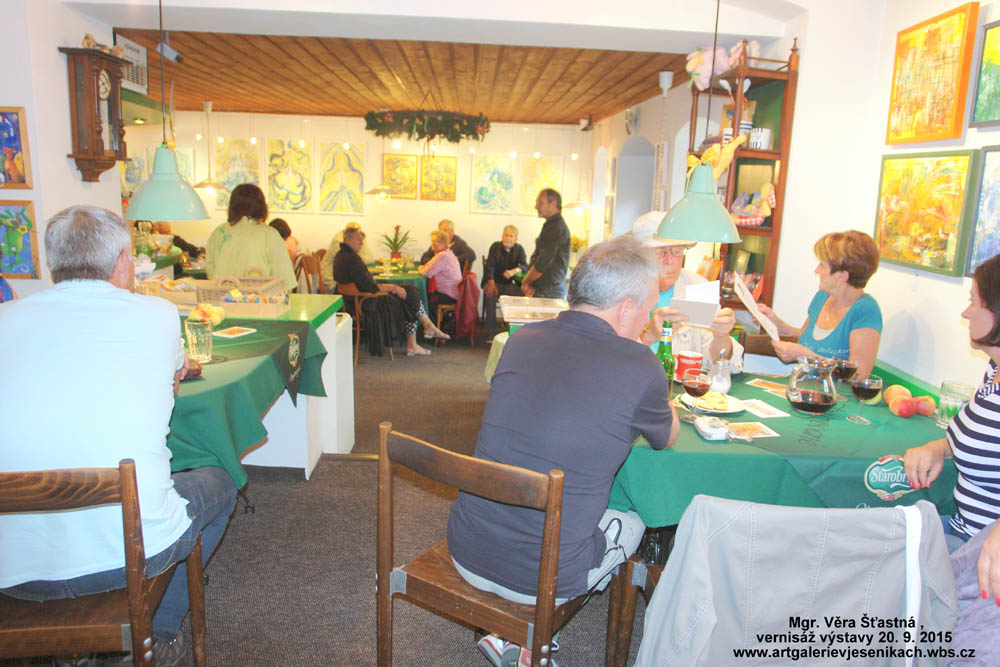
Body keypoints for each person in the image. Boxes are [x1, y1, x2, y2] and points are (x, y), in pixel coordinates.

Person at [0, 205, 237, 666]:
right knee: (221, 482)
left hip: (12, 566)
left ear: (51, 262)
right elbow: (173, 379)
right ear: (124, 262)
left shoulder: (5, 317)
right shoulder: (157, 315)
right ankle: (157, 635)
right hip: (127, 555)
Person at [447, 235, 679, 665]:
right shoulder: (642, 365)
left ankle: (510, 633)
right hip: (541, 578)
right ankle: (533, 635)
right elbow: (667, 437)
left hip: (466, 548)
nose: (647, 320)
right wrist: (655, 371)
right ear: (625, 308)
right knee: (635, 520)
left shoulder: (521, 339)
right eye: (647, 310)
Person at [903, 253, 1000, 661]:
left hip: (985, 570)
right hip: (959, 537)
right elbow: (982, 435)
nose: (965, 312)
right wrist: (941, 446)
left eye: (974, 301)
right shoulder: (994, 370)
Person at [756, 230, 882, 378]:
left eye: (822, 265)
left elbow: (859, 374)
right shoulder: (822, 296)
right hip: (802, 386)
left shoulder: (866, 311)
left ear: (842, 276)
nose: (817, 270)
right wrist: (775, 322)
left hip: (833, 392)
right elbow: (805, 338)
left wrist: (806, 356)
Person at [631, 212, 743, 371]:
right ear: (639, 256)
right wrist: (649, 335)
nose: (669, 260)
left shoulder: (697, 286)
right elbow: (612, 360)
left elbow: (718, 364)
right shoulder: (621, 290)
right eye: (660, 252)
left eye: (677, 251)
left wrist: (722, 336)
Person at [333, 226, 449, 357]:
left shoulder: (342, 256)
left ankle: (423, 331)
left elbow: (365, 284)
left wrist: (393, 288)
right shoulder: (352, 259)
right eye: (358, 239)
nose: (361, 243)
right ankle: (420, 334)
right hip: (366, 305)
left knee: (409, 291)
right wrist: (393, 288)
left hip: (355, 301)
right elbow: (369, 287)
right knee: (410, 296)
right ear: (348, 239)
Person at [206, 183, 297, 291]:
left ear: (232, 206)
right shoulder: (270, 235)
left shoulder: (218, 233)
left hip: (223, 296)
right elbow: (284, 279)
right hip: (259, 298)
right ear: (262, 206)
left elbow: (211, 271)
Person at [521, 188, 570, 299]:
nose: (536, 206)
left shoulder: (555, 227)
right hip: (548, 289)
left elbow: (543, 261)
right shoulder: (553, 225)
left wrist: (526, 281)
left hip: (549, 291)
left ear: (554, 204)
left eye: (540, 203)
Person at [482, 224, 528, 335]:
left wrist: (514, 271)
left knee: (522, 295)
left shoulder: (519, 249)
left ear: (516, 239)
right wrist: (491, 284)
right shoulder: (495, 247)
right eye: (506, 235)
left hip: (508, 284)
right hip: (493, 281)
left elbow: (525, 266)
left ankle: (514, 329)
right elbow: (489, 267)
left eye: (511, 236)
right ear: (502, 237)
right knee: (491, 294)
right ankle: (490, 331)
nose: (508, 238)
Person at [418, 229, 462, 315]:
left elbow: (426, 273)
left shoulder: (443, 255)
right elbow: (429, 266)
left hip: (448, 295)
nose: (433, 244)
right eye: (432, 241)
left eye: (437, 242)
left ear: (445, 243)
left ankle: (430, 323)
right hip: (452, 293)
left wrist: (420, 268)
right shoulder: (446, 253)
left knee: (420, 298)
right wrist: (424, 268)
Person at [322, 221, 373, 291]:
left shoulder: (359, 239)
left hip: (347, 283)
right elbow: (349, 263)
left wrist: (360, 257)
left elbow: (370, 258)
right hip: (333, 283)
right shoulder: (339, 241)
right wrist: (359, 257)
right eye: (358, 239)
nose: (361, 243)